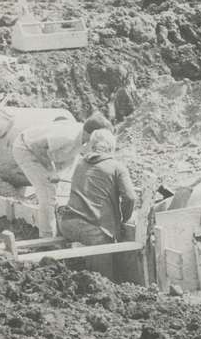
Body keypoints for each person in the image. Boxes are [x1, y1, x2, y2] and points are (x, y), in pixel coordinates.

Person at [12, 111, 113, 237]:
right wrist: (51, 171)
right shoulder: (68, 136)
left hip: (55, 152)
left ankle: (60, 225)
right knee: (48, 192)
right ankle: (47, 238)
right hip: (27, 148)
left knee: (65, 190)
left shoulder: (87, 139)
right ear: (92, 134)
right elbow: (38, 147)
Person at [56, 128, 137, 278]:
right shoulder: (117, 167)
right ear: (112, 148)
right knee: (103, 280)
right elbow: (130, 198)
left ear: (92, 146)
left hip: (66, 224)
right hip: (92, 233)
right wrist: (124, 220)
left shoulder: (80, 163)